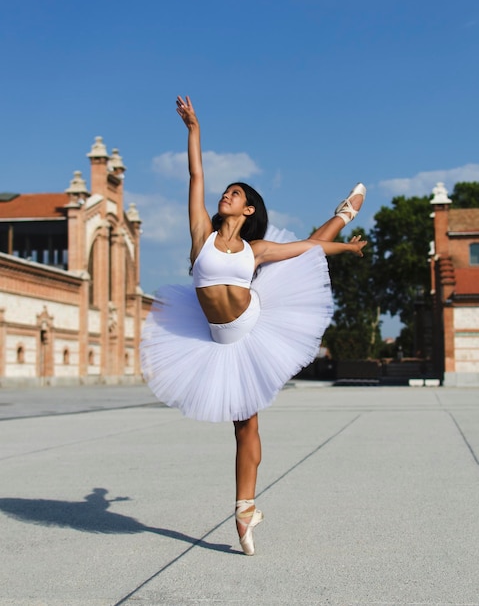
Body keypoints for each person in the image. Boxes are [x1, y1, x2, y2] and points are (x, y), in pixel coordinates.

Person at [141, 95, 367, 556]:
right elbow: (195, 176)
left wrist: (348, 249)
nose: (227, 194)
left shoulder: (255, 249)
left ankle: (343, 217)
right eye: (228, 191)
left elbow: (306, 247)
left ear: (247, 211)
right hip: (216, 341)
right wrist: (193, 129)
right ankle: (247, 511)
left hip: (256, 324)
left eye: (237, 193)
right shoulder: (200, 236)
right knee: (243, 426)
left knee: (305, 254)